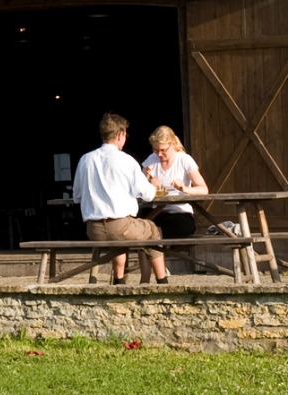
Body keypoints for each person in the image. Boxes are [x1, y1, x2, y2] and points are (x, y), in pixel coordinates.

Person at [71, 113, 166, 284]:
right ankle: (162, 281)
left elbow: (77, 197)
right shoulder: (126, 160)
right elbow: (148, 194)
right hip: (121, 228)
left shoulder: (85, 160)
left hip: (93, 230)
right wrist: (153, 184)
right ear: (120, 134)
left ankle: (119, 280)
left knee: (120, 237)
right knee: (151, 229)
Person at [140, 125, 207, 281]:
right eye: (156, 150)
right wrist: (147, 179)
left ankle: (159, 275)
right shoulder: (152, 159)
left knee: (151, 232)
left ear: (173, 144)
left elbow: (203, 189)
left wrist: (184, 188)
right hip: (156, 211)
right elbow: (138, 189)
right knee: (143, 228)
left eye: (163, 150)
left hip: (180, 213)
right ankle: (145, 279)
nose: (159, 154)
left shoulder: (184, 160)